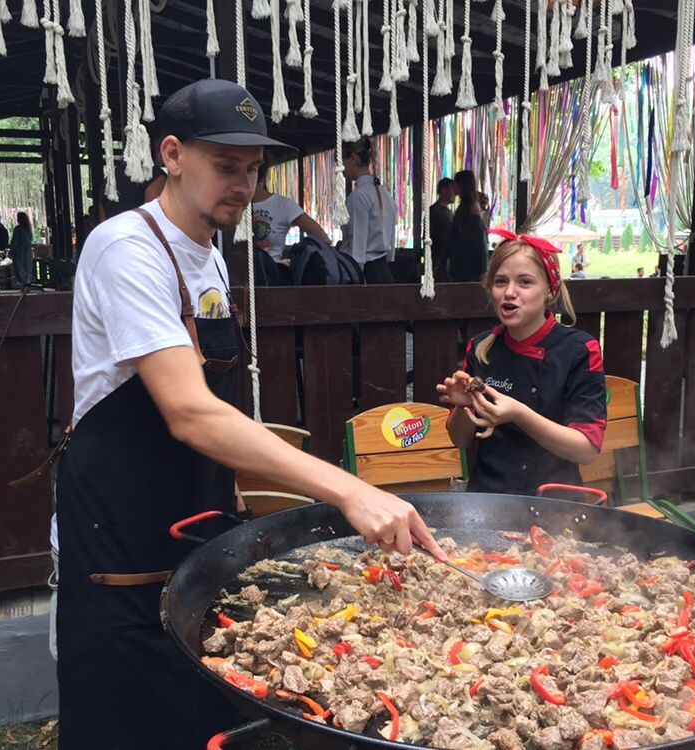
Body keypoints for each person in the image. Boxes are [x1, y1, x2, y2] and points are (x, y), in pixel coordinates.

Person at [54, 79, 445, 750]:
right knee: (124, 720)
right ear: (171, 155)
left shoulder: (207, 252)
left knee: (199, 715)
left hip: (193, 523)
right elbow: (188, 411)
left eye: (253, 169)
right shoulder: (127, 249)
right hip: (118, 535)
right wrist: (350, 487)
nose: (242, 184)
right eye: (224, 165)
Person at [437, 230, 606, 495]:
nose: (510, 292)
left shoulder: (579, 350)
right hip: (489, 502)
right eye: (500, 282)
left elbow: (586, 449)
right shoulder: (481, 347)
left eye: (525, 282)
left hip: (556, 502)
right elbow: (460, 439)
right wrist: (463, 406)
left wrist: (518, 413)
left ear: (550, 291)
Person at [251, 159, 330, 283]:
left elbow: (323, 238)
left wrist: (298, 261)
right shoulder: (232, 206)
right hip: (239, 277)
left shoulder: (283, 205)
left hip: (272, 278)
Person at [339, 136, 398, 283]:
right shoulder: (385, 193)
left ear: (352, 158)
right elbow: (392, 239)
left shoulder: (358, 197)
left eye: (340, 162)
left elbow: (357, 248)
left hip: (364, 273)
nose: (339, 168)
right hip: (383, 269)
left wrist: (356, 282)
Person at [449, 170, 489, 283]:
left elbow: (479, 240)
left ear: (461, 185)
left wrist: (482, 268)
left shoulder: (472, 207)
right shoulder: (466, 206)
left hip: (469, 265)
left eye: (455, 183)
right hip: (462, 263)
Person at [429, 177, 456, 282]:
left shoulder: (449, 212)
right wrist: (433, 259)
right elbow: (428, 236)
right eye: (452, 190)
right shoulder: (434, 211)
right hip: (438, 259)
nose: (455, 193)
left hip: (447, 259)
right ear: (443, 190)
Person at [10, 211, 33, 287]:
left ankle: (22, 284)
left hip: (19, 253)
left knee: (19, 269)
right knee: (27, 268)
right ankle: (27, 282)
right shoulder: (28, 230)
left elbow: (14, 242)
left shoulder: (18, 229)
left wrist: (11, 252)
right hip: (27, 253)